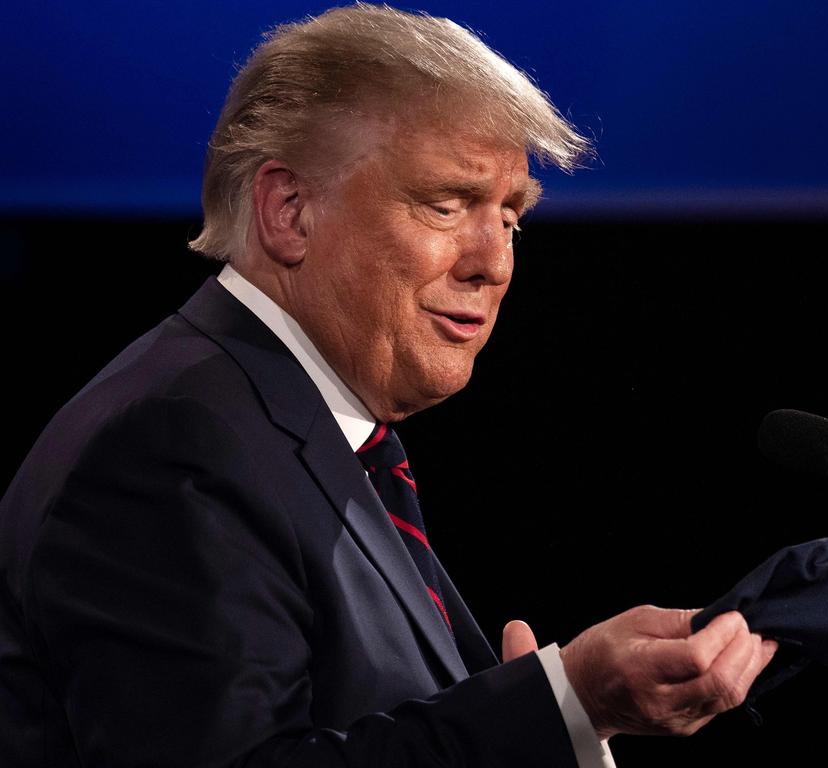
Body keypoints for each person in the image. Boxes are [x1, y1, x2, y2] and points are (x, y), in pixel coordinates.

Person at [0, 4, 777, 766]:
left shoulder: (304, 427)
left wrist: (530, 709)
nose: (494, 264)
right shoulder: (174, 448)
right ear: (289, 211)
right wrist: (565, 708)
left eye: (510, 216)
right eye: (446, 204)